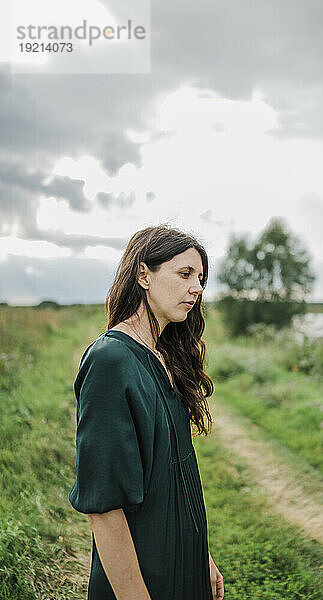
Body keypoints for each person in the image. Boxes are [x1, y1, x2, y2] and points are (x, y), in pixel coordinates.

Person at [69, 224, 224, 600]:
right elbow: (104, 508)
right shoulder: (111, 361)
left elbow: (174, 474)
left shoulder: (165, 355)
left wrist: (200, 554)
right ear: (144, 275)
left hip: (182, 560)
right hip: (143, 574)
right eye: (184, 274)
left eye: (200, 278)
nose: (197, 288)